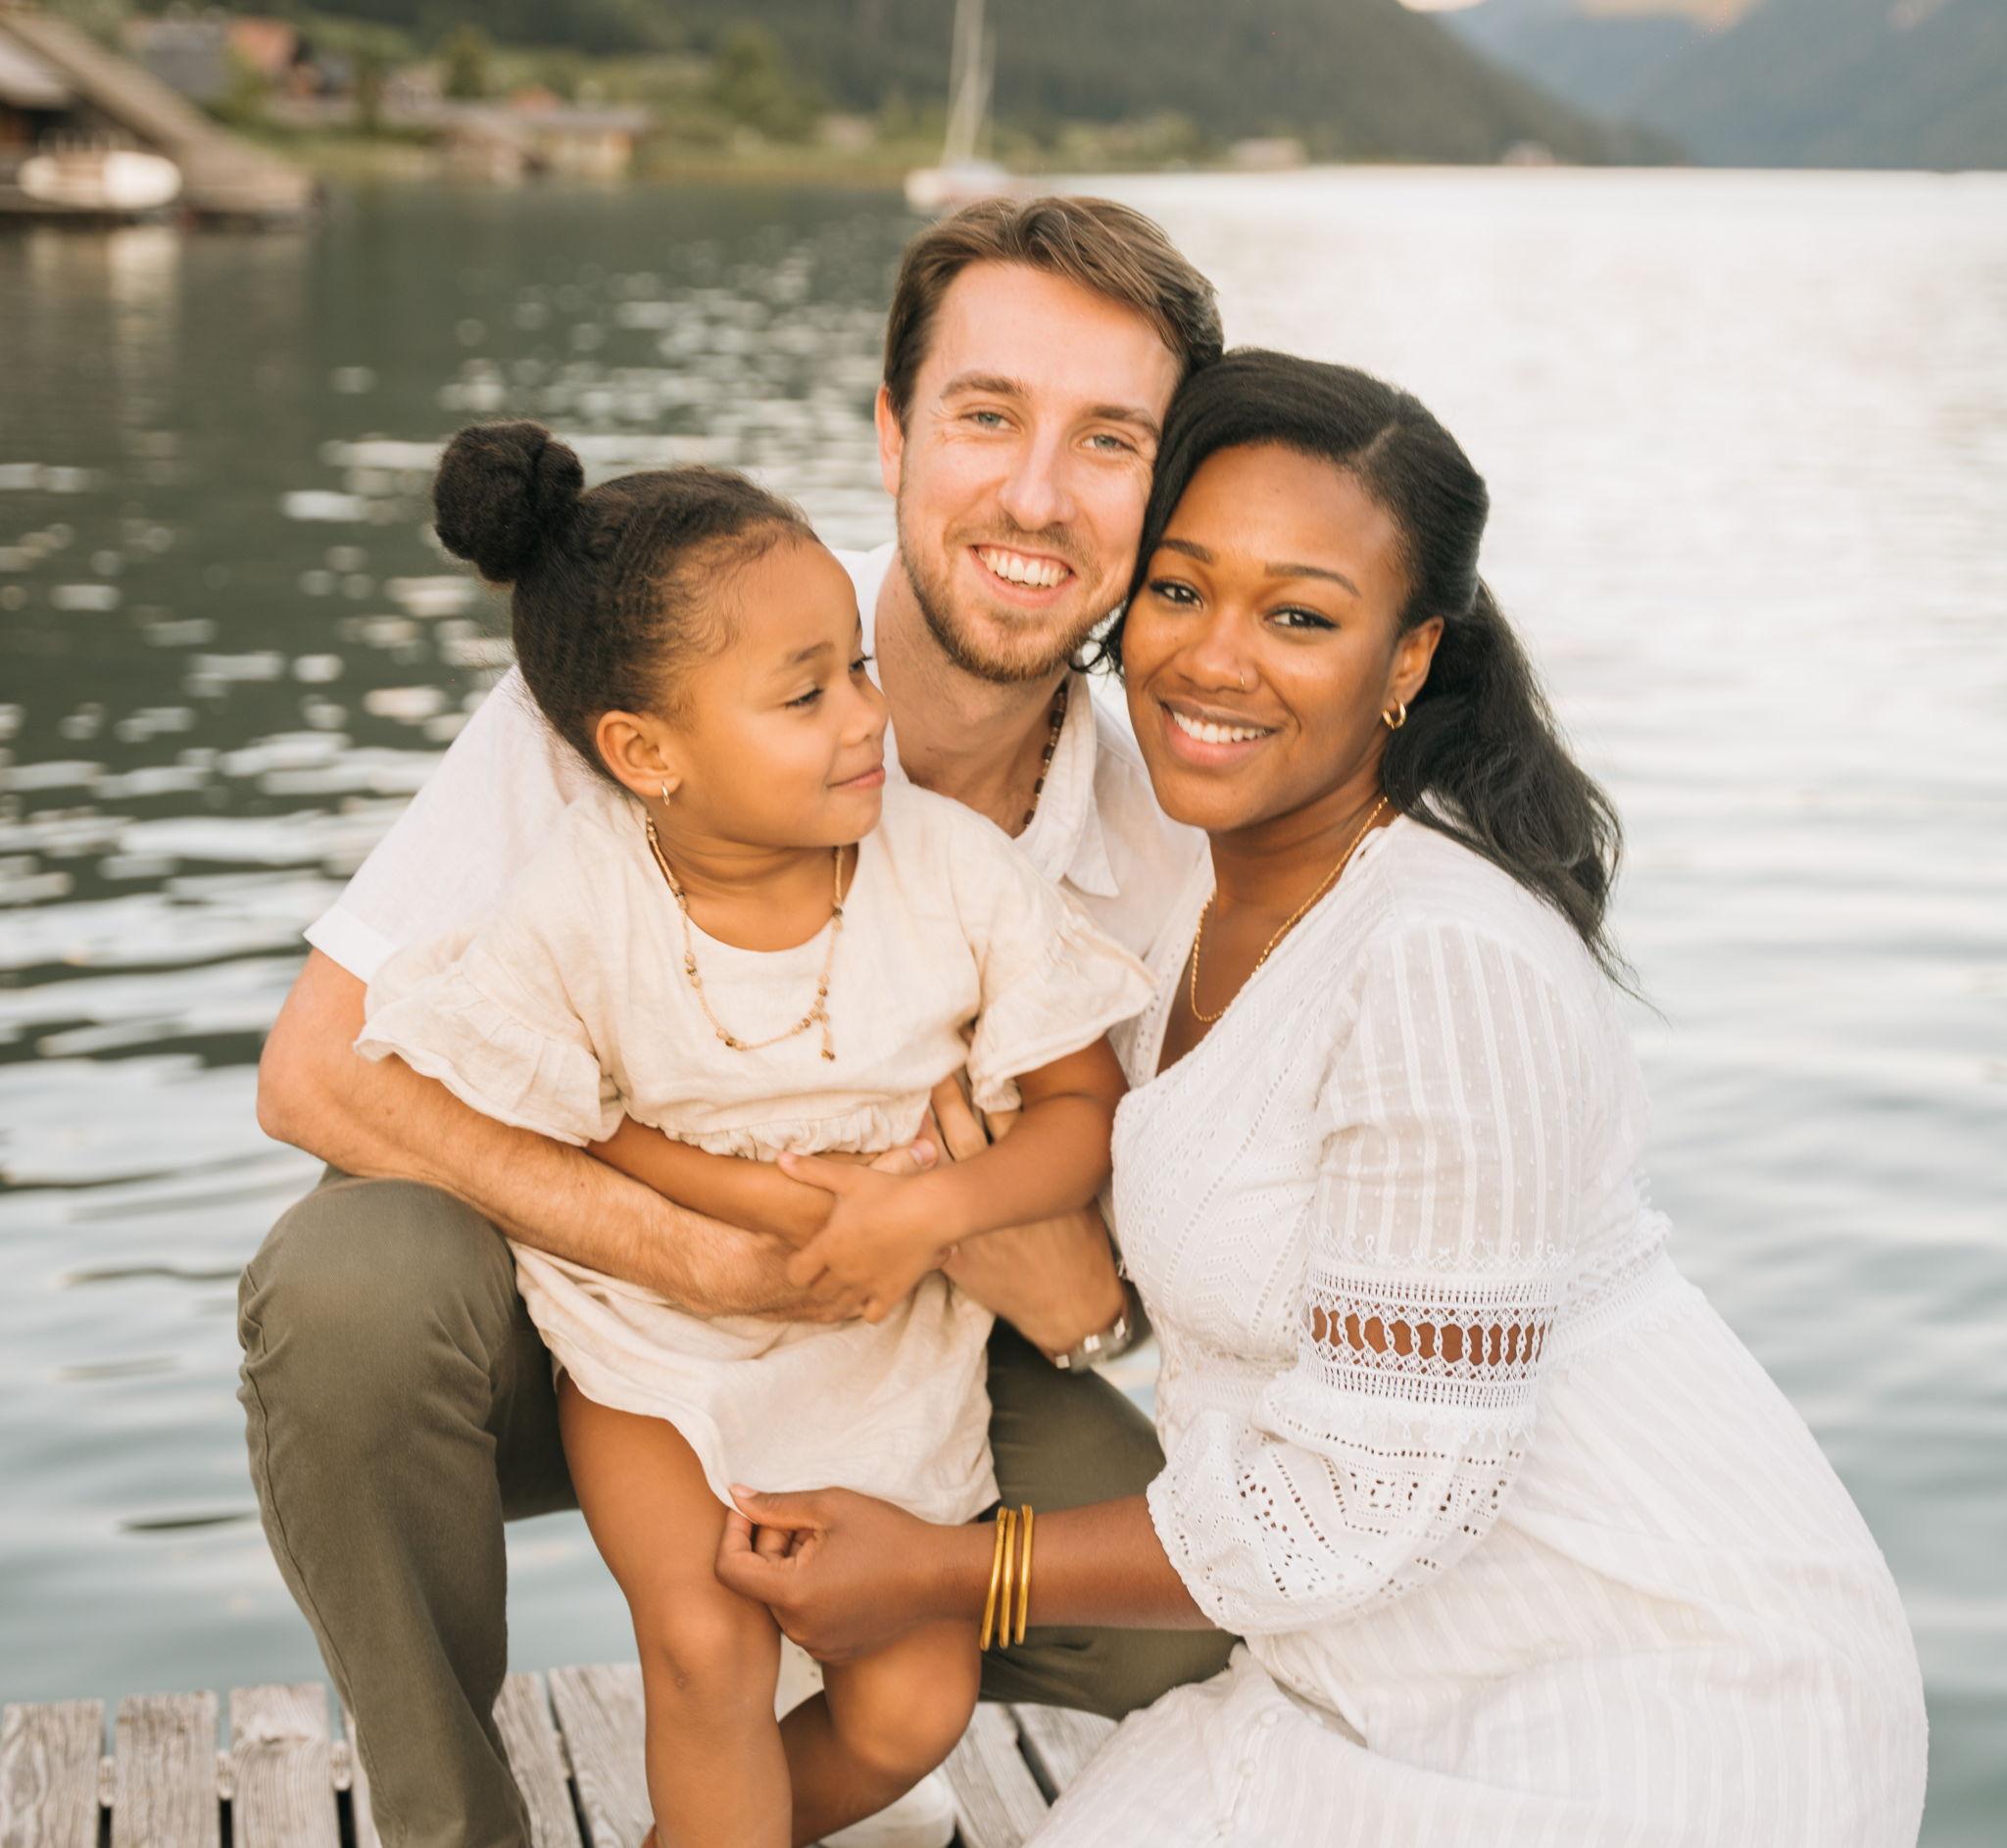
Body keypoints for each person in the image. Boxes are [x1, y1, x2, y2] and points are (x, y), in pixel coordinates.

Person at [713, 350, 1931, 1846]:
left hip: (1659, 1703)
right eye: (1179, 590)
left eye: (1299, 616)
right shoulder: (1188, 902)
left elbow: (1368, 1499)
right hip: (1354, 1680)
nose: (1213, 660)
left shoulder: (1444, 960)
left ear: (1409, 659)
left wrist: (946, 1570)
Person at [241, 195, 1233, 1848]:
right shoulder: (661, 652)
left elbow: (1095, 1294)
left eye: (1111, 440)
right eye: (988, 415)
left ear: (1165, 488)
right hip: (592, 1329)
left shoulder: (1160, 847)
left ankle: (813, 1766)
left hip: (906, 1340)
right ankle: (451, 1827)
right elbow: (314, 1070)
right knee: (348, 1291)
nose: (1038, 495)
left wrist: (966, 1227)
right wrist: (696, 1246)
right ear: (894, 432)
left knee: (1184, 1615)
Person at [356, 428, 1155, 1847]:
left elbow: (1081, 1114)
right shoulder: (579, 901)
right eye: (805, 693)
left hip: (891, 1358)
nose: (864, 717)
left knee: (913, 1700)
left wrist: (924, 1213)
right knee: (707, 1648)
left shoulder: (952, 872)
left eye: (859, 666)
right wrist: (755, 1201)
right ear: (645, 751)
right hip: (653, 1357)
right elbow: (559, 1122)